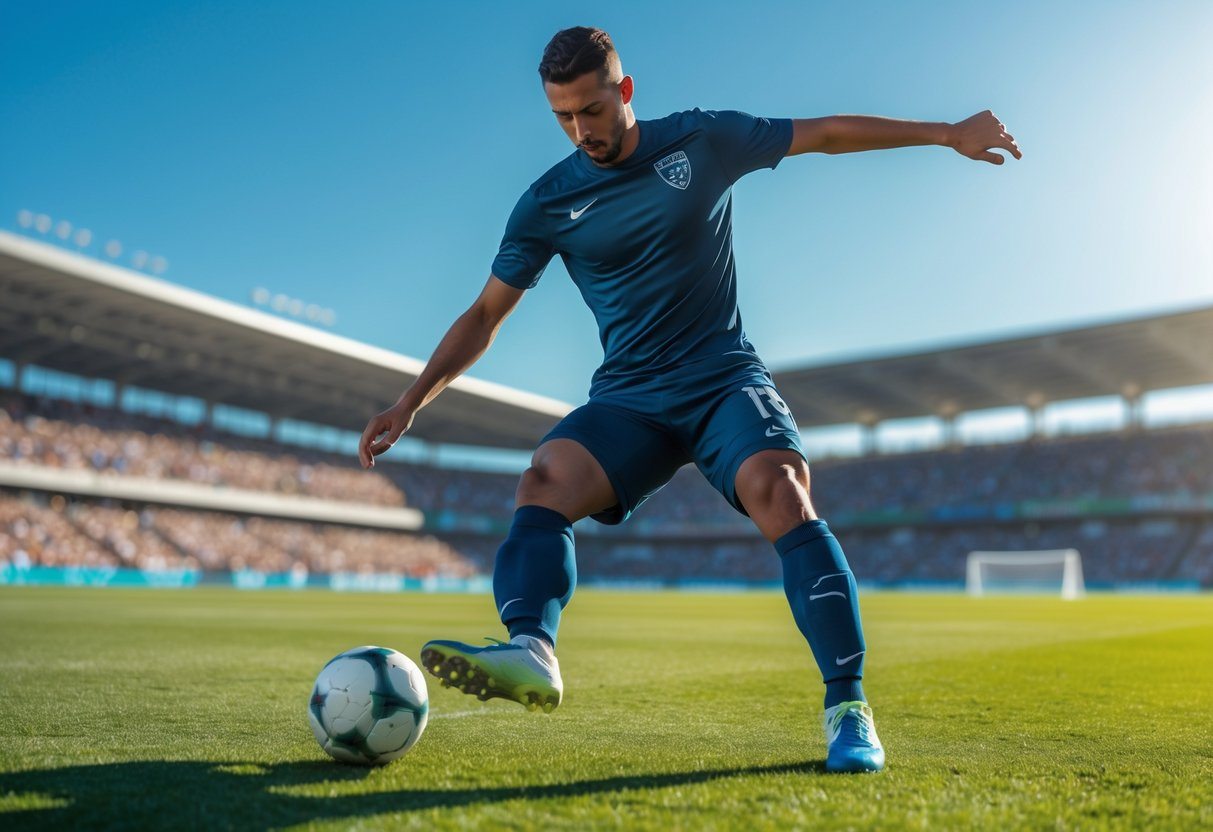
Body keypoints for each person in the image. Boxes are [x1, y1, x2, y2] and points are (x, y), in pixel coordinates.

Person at [358, 26, 1020, 773]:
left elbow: (826, 133)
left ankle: (847, 708)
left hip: (720, 378)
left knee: (783, 494)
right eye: (563, 118)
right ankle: (531, 650)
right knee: (542, 480)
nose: (582, 131)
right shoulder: (546, 202)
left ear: (625, 91)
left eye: (592, 110)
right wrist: (411, 401)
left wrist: (944, 134)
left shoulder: (702, 140)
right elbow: (483, 315)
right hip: (629, 398)